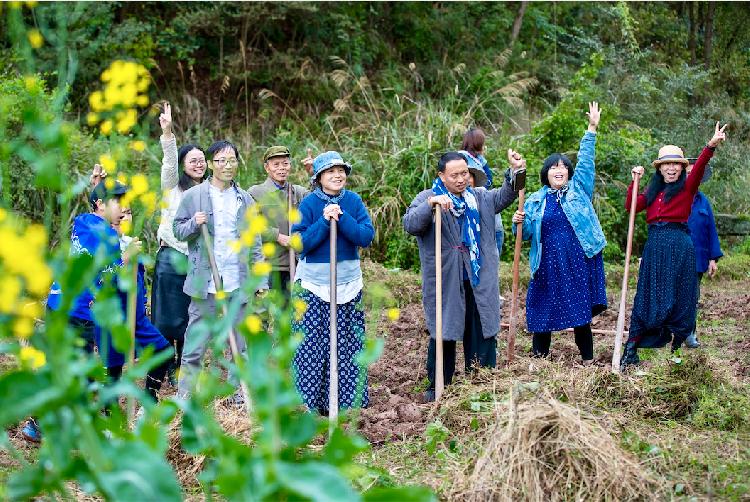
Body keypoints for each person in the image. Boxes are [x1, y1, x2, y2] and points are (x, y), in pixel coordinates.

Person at [403, 150, 520, 403]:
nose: (460, 179)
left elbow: (506, 195)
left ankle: (482, 381)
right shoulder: (428, 197)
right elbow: (411, 224)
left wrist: (515, 172)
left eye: (464, 173)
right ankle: (438, 385)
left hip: (478, 278)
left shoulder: (479, 198)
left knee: (482, 329)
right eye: (454, 175)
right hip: (446, 280)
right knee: (444, 329)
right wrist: (431, 205)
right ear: (441, 176)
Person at [621, 122, 728, 368]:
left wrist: (710, 145)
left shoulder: (688, 187)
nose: (671, 168)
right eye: (666, 164)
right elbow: (632, 207)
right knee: (647, 294)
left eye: (675, 165)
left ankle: (676, 348)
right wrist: (633, 183)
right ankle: (631, 351)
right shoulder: (653, 189)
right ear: (660, 169)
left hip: (679, 244)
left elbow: (700, 167)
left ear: (682, 168)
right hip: (655, 244)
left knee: (678, 295)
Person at [511, 102, 606, 365]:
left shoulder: (579, 190)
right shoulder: (534, 200)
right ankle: (540, 360)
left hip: (576, 261)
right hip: (547, 264)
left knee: (579, 313)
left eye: (563, 166)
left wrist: (591, 129)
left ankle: (588, 360)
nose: (559, 169)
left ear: (568, 172)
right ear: (546, 173)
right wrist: (519, 221)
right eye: (554, 166)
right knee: (543, 310)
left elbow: (586, 161)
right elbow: (527, 233)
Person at [173, 139, 267, 403]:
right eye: (222, 161)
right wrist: (194, 222)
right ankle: (186, 397)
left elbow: (254, 241)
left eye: (232, 160)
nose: (227, 166)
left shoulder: (245, 199)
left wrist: (260, 280)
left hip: (237, 283)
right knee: (194, 345)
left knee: (239, 345)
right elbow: (177, 230)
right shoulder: (194, 196)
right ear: (212, 164)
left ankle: (238, 398)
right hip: (206, 285)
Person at [291, 151, 374, 414]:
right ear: (318, 178)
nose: (337, 175)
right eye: (330, 172)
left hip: (348, 284)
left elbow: (365, 236)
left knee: (348, 345)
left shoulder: (353, 201)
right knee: (312, 346)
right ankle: (309, 406)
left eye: (340, 171)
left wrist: (343, 218)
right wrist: (325, 221)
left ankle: (347, 404)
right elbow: (300, 244)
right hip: (314, 287)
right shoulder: (308, 204)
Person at [151, 103, 207, 386]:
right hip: (171, 258)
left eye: (202, 159)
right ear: (184, 164)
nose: (199, 163)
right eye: (193, 160)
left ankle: (182, 368)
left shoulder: (210, 191)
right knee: (165, 320)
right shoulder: (172, 186)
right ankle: (163, 365)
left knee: (191, 318)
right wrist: (169, 133)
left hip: (197, 262)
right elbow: (169, 162)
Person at [248, 146, 310, 293]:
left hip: (295, 265)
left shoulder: (298, 192)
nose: (281, 168)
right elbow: (249, 226)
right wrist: (277, 236)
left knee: (290, 312)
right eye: (276, 164)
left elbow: (320, 199)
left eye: (285, 163)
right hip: (269, 266)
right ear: (267, 168)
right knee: (262, 312)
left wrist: (313, 174)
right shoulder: (255, 193)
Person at [685, 158, 723, 348]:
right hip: (675, 256)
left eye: (695, 173)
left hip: (698, 259)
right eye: (688, 172)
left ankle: (690, 333)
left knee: (692, 296)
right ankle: (670, 331)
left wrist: (713, 258)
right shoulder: (673, 198)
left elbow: (711, 230)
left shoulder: (703, 202)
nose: (691, 176)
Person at [461, 128, 505, 257]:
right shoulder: (463, 160)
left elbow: (488, 180)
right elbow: (488, 180)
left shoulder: (478, 159)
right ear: (478, 144)